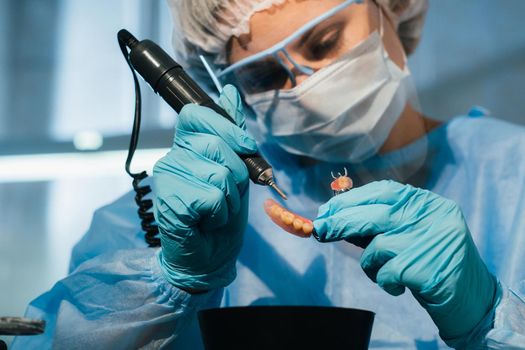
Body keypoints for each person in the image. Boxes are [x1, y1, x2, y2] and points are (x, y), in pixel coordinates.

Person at [12, 0, 525, 348]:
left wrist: (491, 319)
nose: (307, 85)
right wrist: (172, 279)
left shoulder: (513, 177)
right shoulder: (178, 213)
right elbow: (47, 338)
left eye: (324, 42)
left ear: (390, 8)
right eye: (264, 75)